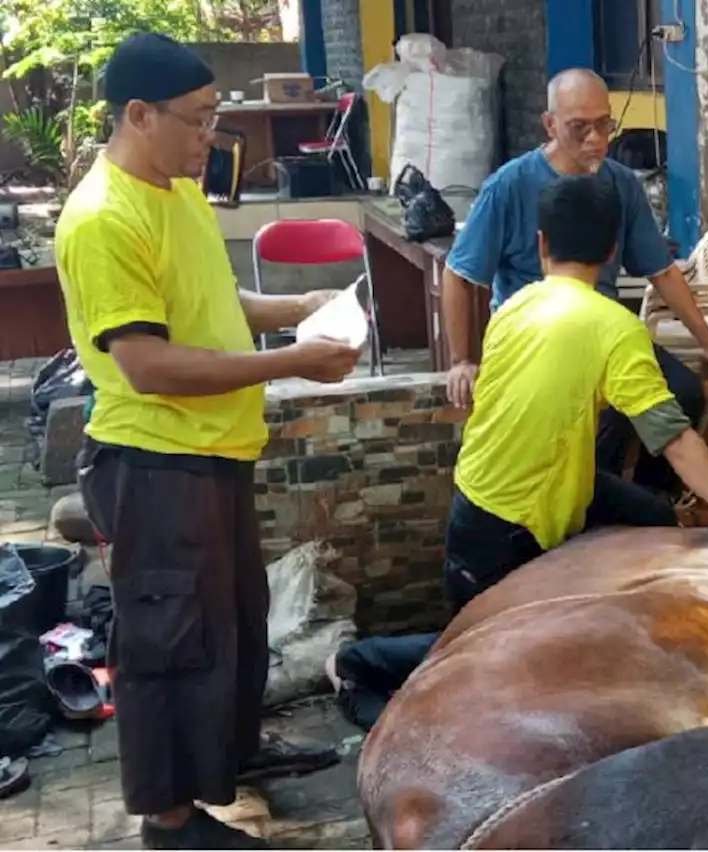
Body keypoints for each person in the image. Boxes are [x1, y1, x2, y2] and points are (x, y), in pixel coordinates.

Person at [56, 33, 364, 850]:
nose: (208, 138)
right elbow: (148, 362)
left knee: (234, 619)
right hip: (155, 461)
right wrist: (295, 361)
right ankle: (169, 817)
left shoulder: (177, 185)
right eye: (196, 121)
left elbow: (213, 297)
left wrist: (299, 310)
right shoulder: (103, 217)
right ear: (137, 114)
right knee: (169, 636)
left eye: (212, 118)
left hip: (216, 452)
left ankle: (232, 754)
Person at [444, 174, 708, 612]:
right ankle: (358, 663)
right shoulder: (613, 328)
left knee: (655, 516)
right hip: (510, 530)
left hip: (479, 498)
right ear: (611, 252)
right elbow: (675, 441)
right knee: (482, 651)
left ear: (541, 243)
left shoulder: (514, 306)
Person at [442, 68, 708, 498]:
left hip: (602, 331)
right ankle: (589, 501)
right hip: (534, 336)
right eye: (579, 127)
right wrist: (461, 359)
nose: (595, 139)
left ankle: (646, 499)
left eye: (604, 125)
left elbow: (662, 270)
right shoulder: (509, 186)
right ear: (550, 125)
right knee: (577, 418)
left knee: (683, 394)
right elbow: (460, 274)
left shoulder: (620, 184)